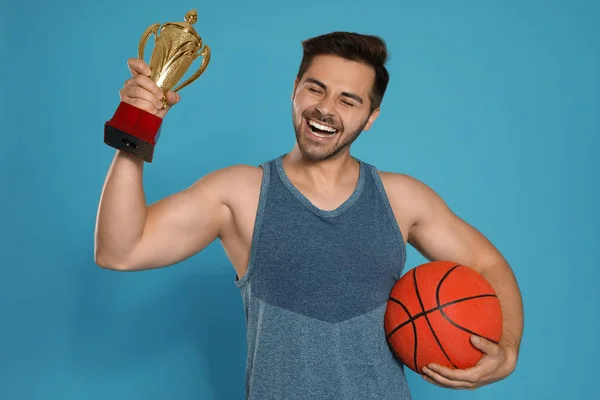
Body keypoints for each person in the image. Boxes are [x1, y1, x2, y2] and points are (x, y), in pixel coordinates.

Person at [95, 31, 523, 399]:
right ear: (295, 89)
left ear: (370, 118)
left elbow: (487, 263)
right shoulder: (242, 192)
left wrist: (506, 350)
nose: (325, 109)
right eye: (315, 88)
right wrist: (135, 128)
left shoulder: (402, 199)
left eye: (348, 100)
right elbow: (120, 250)